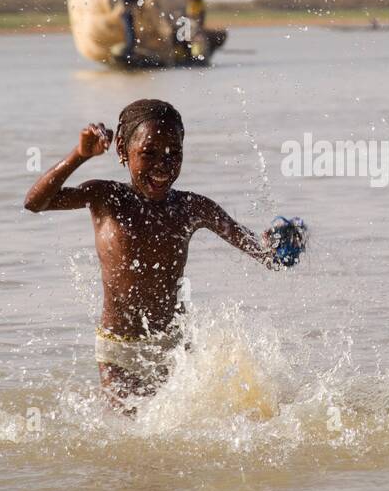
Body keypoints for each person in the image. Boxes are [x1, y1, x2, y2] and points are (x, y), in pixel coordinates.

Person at [24, 99, 300, 407]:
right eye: (148, 153)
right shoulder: (107, 198)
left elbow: (263, 254)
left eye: (174, 154)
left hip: (175, 348)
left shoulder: (191, 207)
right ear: (121, 151)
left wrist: (280, 246)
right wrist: (79, 156)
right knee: (128, 431)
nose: (162, 165)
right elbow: (36, 203)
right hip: (120, 350)